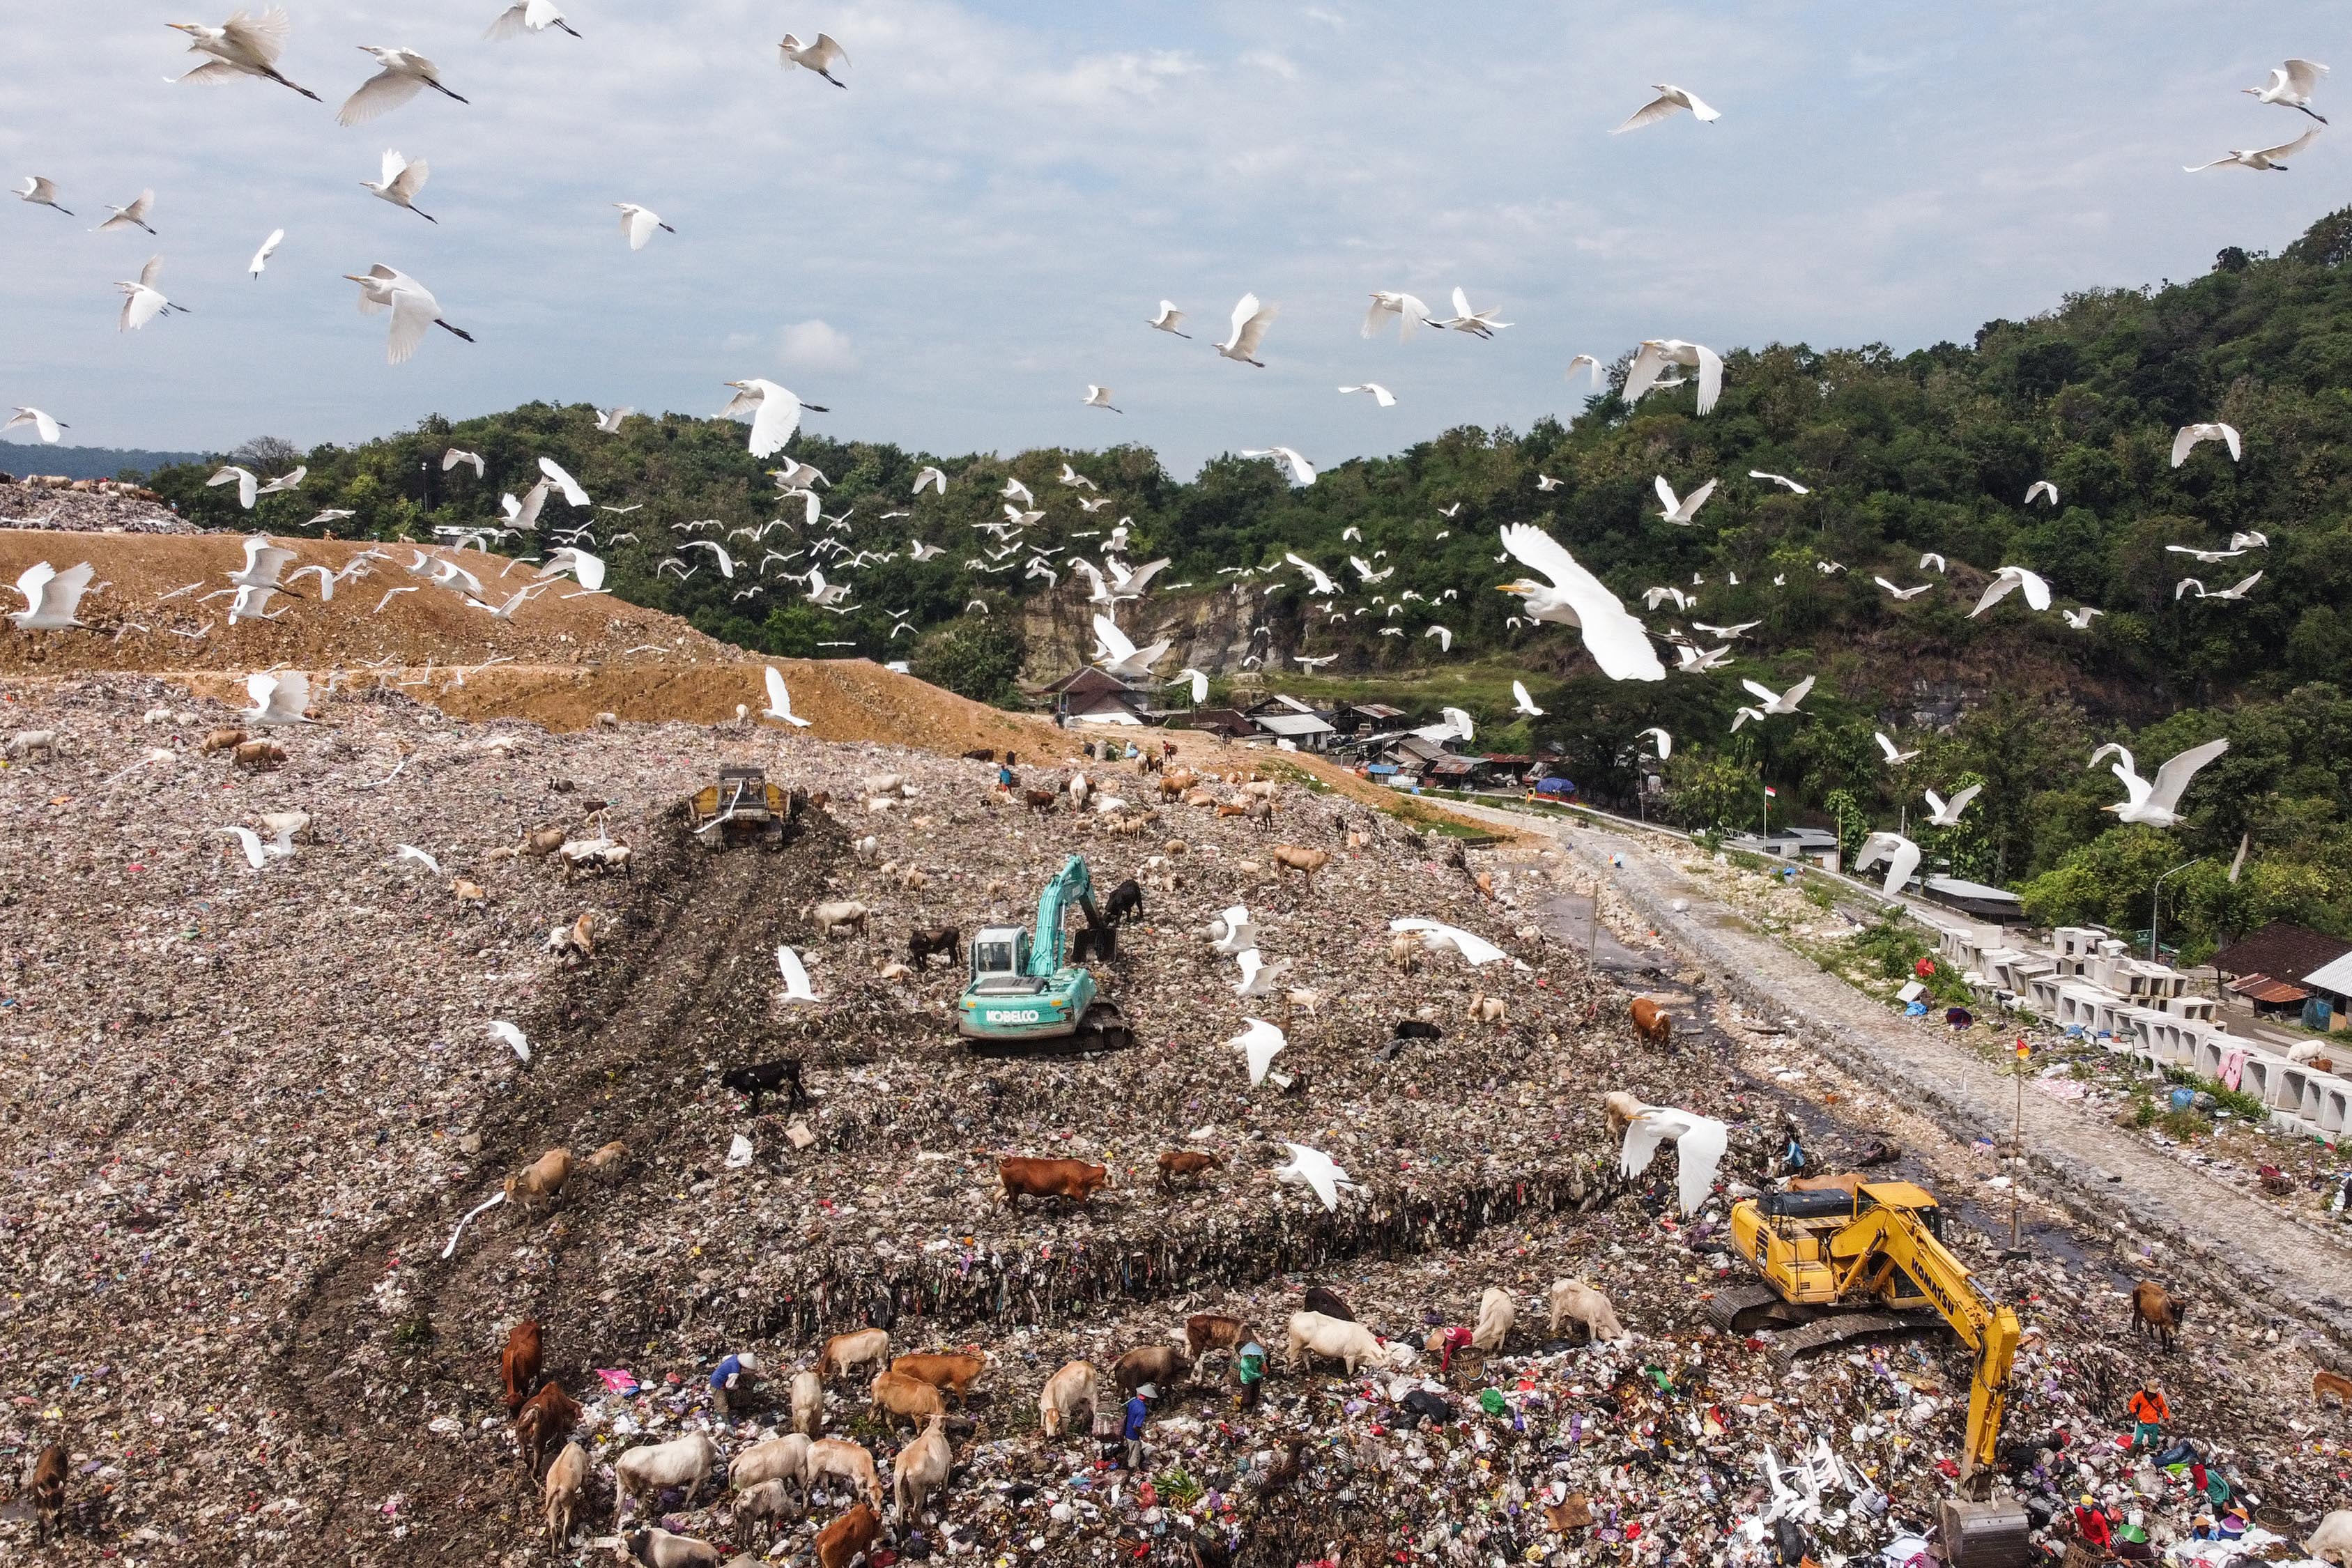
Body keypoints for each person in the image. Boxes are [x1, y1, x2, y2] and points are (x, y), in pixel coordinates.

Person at [710, 1351, 760, 1417]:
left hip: (718, 1375)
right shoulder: (735, 1372)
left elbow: (724, 1359)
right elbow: (729, 1386)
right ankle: (724, 1420)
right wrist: (738, 1386)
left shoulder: (735, 1357)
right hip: (717, 1383)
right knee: (721, 1403)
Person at [2126, 1381, 2170, 1450]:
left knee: (2153, 1441)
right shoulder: (2140, 1395)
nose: (2151, 1395)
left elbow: (2163, 1408)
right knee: (2138, 1439)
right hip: (2141, 1421)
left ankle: (2149, 1451)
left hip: (2153, 1422)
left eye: (2153, 1393)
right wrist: (2135, 1414)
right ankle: (2131, 1455)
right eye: (2150, 1393)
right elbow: (2132, 1404)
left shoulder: (2159, 1397)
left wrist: (2166, 1417)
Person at [1123, 1384, 1153, 1470]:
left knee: (1130, 1452)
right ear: (1147, 1398)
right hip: (1133, 1436)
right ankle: (1131, 1474)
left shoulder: (1133, 1401)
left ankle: (1127, 1466)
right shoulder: (1142, 1410)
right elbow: (1136, 1426)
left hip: (1127, 1432)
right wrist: (1143, 1436)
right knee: (1134, 1458)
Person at [1233, 1342, 1266, 1411]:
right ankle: (1237, 1399)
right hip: (1246, 1380)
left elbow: (1261, 1357)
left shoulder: (1255, 1356)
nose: (1253, 1356)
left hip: (1255, 1379)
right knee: (1247, 1400)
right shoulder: (1245, 1363)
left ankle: (1249, 1411)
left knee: (1255, 1397)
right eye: (1251, 1355)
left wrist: (1263, 1364)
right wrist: (1261, 1374)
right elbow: (1251, 1374)